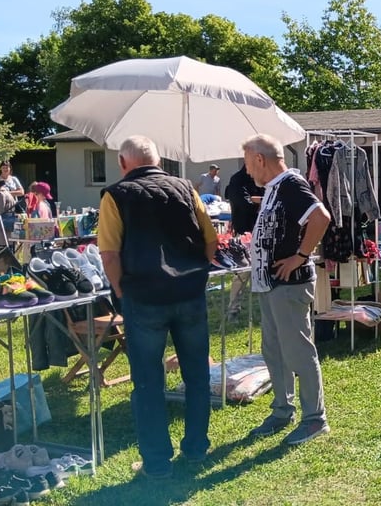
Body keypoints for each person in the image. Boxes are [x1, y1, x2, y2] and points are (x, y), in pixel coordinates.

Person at [98, 136, 217, 479]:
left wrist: (121, 292)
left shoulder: (115, 195)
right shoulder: (185, 188)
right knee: (197, 376)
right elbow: (210, 238)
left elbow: (109, 254)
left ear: (123, 163)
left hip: (144, 298)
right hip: (188, 294)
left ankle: (156, 463)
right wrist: (198, 274)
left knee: (148, 383)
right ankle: (195, 450)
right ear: (158, 161)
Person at [243, 134, 332, 446]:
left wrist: (300, 256)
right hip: (270, 284)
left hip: (290, 285)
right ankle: (283, 410)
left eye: (247, 162)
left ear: (259, 159)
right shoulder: (272, 189)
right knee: (275, 350)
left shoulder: (291, 184)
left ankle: (314, 419)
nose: (247, 171)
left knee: (298, 351)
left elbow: (321, 217)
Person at [224, 165, 264, 319]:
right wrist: (261, 201)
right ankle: (233, 309)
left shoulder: (261, 179)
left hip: (260, 231)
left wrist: (258, 200)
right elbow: (244, 204)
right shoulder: (238, 180)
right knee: (243, 272)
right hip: (244, 233)